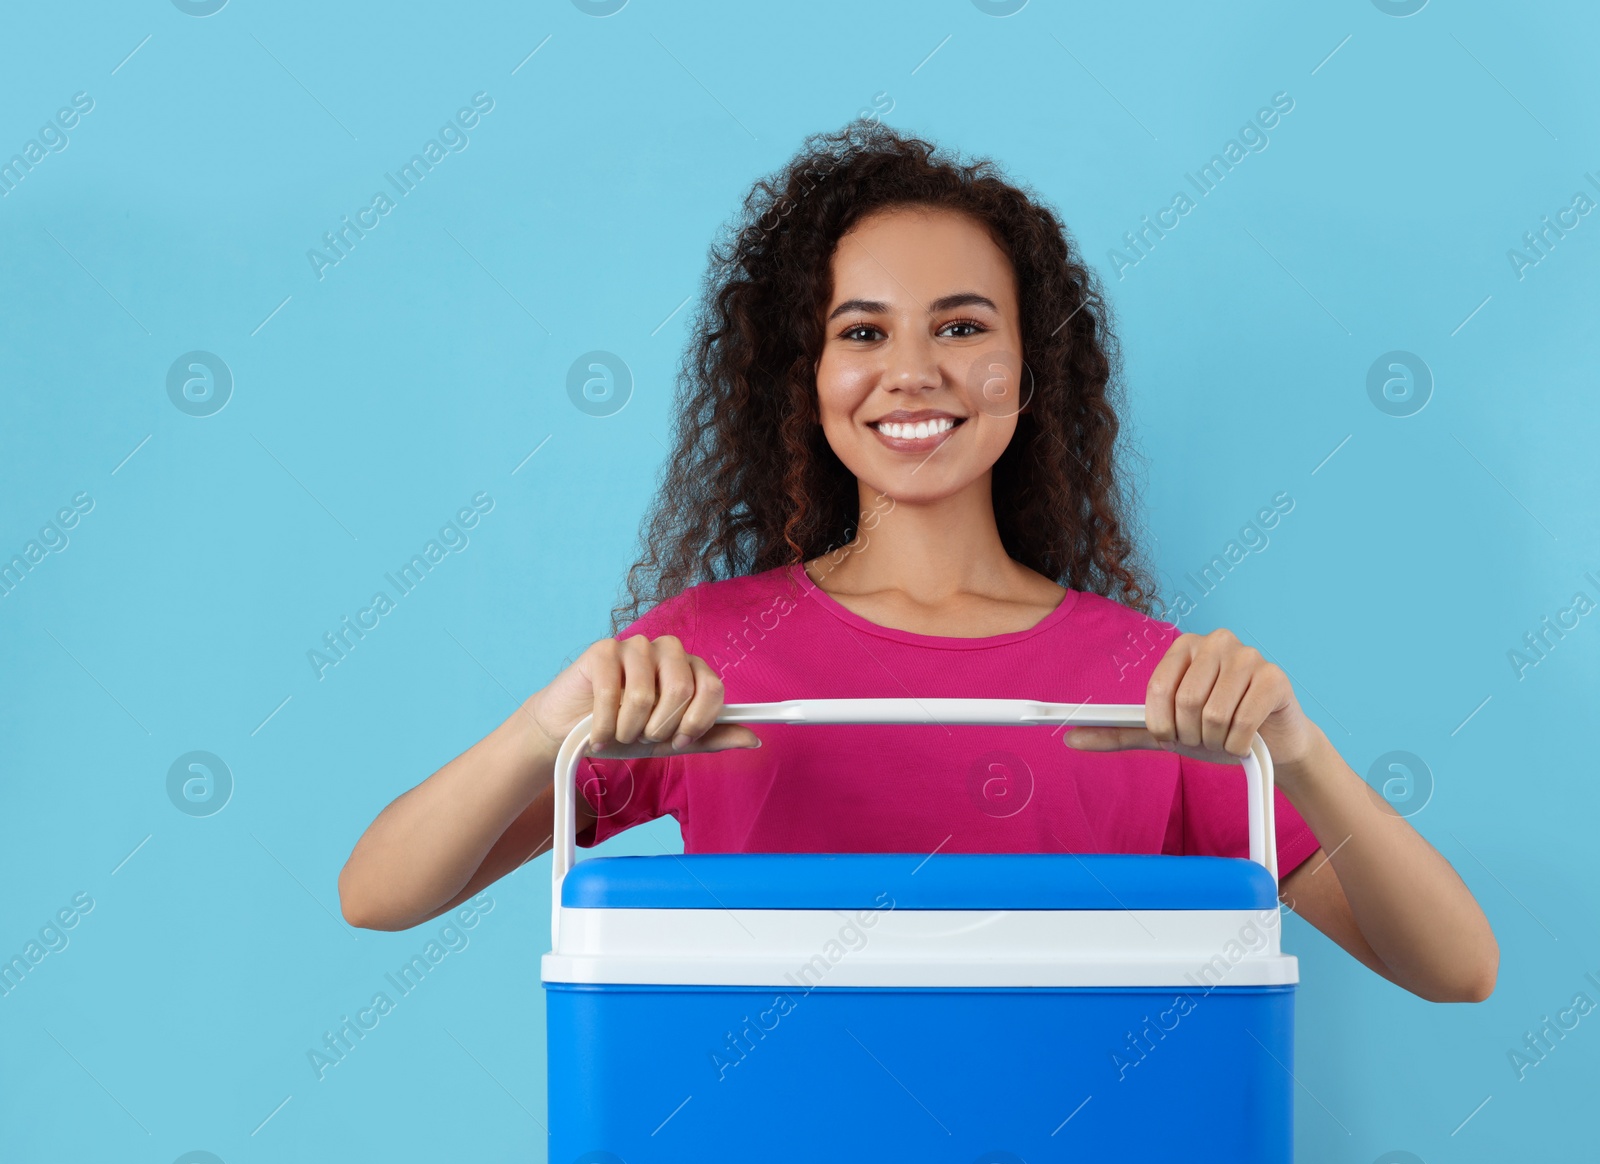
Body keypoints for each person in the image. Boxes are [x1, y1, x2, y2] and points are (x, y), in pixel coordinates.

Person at [338, 123, 1497, 1003]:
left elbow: (1457, 967)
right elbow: (380, 892)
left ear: (1029, 371)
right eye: (860, 332)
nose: (912, 372)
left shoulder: (1157, 689)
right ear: (806, 380)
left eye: (960, 326)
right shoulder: (703, 653)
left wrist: (1297, 752)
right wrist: (553, 724)